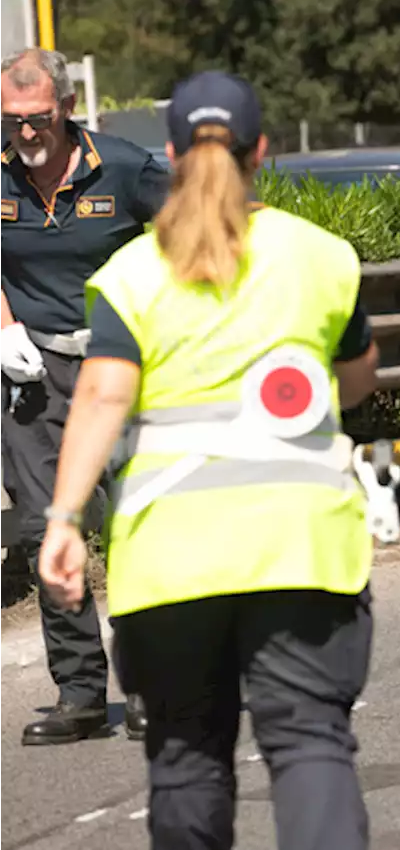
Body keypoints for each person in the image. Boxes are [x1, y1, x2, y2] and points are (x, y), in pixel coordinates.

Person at [36, 70, 382, 850]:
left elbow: (98, 399)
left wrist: (62, 520)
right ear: (262, 150)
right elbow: (359, 379)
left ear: (170, 152)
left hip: (172, 562)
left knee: (188, 755)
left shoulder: (135, 271)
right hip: (303, 551)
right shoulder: (320, 255)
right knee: (309, 743)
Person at [0, 46, 168, 745]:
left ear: (67, 108)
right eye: (12, 122)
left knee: (134, 528)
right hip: (31, 377)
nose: (26, 135)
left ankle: (155, 684)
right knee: (47, 528)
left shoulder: (126, 168)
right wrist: (4, 327)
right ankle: (78, 693)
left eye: (38, 119)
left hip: (118, 368)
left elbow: (189, 243)